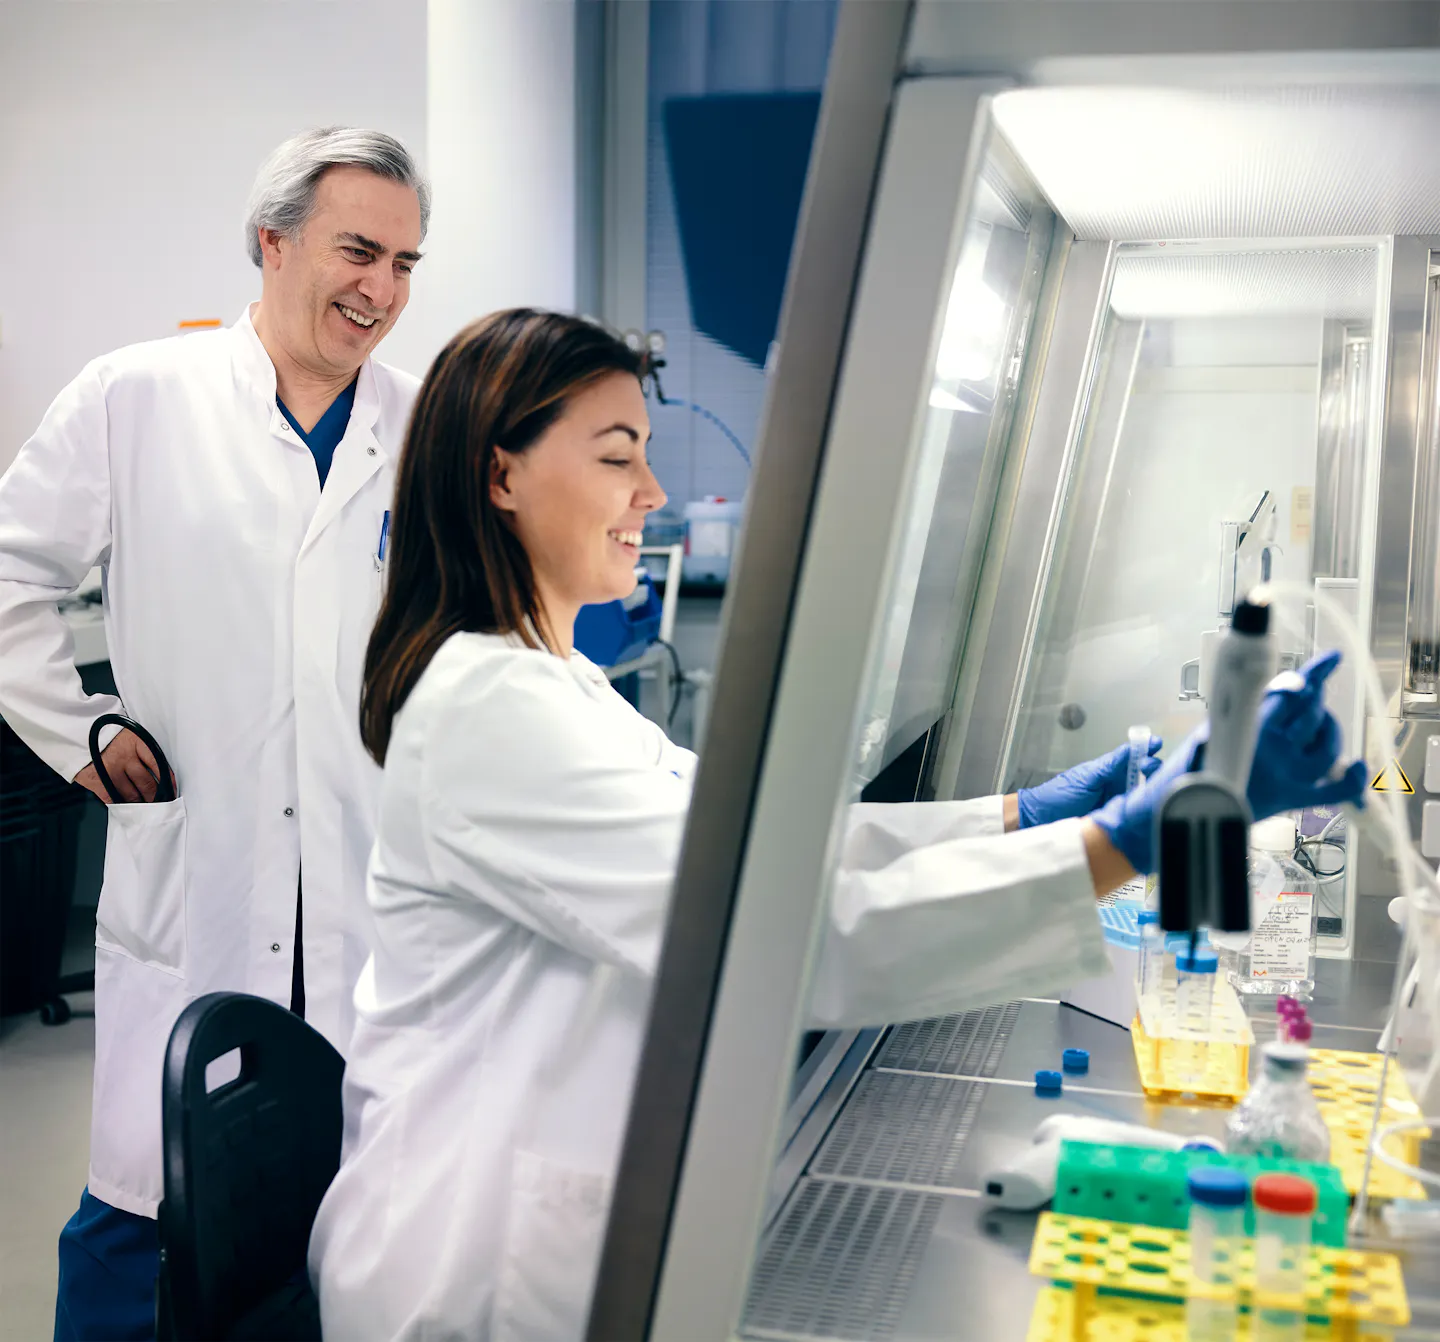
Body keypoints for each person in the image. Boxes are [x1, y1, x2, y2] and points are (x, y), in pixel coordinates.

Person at [308, 310, 1365, 1340]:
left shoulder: (559, 685)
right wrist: (1134, 839)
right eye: (617, 456)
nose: (653, 493)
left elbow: (761, 848)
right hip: (466, 1270)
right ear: (502, 477)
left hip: (543, 1233)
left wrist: (1032, 813)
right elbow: (785, 934)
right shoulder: (490, 709)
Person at [0, 127, 429, 1341]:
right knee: (143, 1211)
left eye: (406, 263)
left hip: (364, 884)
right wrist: (78, 733)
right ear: (271, 241)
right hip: (202, 874)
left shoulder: (422, 420)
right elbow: (7, 572)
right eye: (359, 250)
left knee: (341, 1217)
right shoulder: (136, 397)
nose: (382, 290)